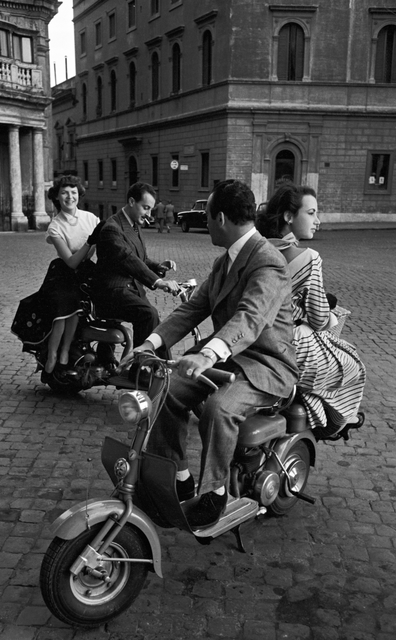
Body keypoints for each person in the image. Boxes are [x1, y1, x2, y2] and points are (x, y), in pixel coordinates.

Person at [132, 179, 298, 530]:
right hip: (230, 358)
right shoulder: (226, 261)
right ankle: (179, 478)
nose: (205, 222)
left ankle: (215, 494)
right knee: (166, 390)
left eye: (206, 216)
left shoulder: (268, 261)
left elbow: (250, 317)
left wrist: (206, 355)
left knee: (219, 408)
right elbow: (193, 309)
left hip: (266, 365)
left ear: (220, 218)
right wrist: (151, 343)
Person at [255, 183, 366, 441]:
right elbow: (318, 319)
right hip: (287, 345)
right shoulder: (308, 257)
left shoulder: (256, 248)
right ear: (288, 216)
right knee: (352, 364)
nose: (318, 221)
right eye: (311, 213)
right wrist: (327, 312)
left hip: (250, 340)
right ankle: (334, 423)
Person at [11, 175, 100, 373]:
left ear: (79, 194)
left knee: (79, 308)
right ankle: (52, 352)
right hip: (63, 273)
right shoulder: (55, 226)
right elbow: (71, 261)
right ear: (57, 197)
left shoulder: (91, 219)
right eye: (64, 193)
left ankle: (66, 350)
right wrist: (90, 241)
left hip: (86, 271)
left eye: (73, 192)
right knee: (62, 310)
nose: (70, 197)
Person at [91, 182, 180, 353]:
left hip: (129, 289)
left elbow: (141, 259)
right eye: (145, 208)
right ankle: (139, 364)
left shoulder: (133, 225)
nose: (149, 215)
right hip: (111, 293)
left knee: (155, 322)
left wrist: (159, 267)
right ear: (132, 202)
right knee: (148, 315)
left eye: (151, 209)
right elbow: (127, 258)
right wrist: (159, 282)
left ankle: (161, 364)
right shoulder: (112, 228)